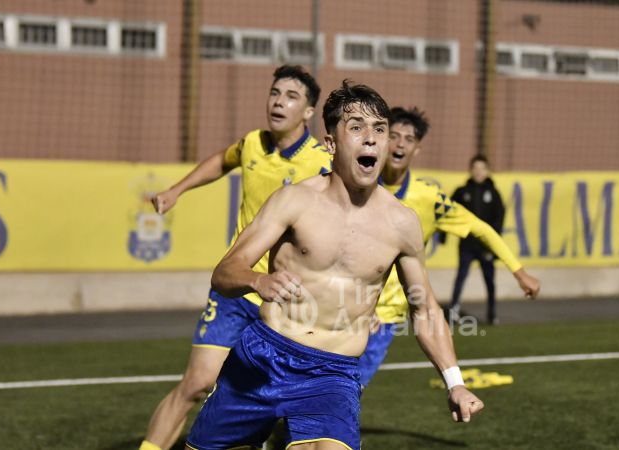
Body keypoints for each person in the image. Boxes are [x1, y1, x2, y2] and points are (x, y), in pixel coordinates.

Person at [185, 81, 484, 450]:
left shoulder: (401, 223)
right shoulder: (293, 201)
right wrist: (256, 281)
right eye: (356, 128)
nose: (371, 139)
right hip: (264, 357)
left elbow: (424, 309)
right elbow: (224, 273)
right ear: (330, 144)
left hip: (332, 373)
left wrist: (455, 382)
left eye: (379, 130)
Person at [139, 65, 331, 450]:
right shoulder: (252, 144)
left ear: (309, 112)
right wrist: (178, 190)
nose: (279, 101)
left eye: (292, 96)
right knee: (196, 384)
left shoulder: (320, 160)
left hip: (287, 299)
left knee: (286, 399)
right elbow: (222, 161)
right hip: (235, 288)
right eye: (275, 92)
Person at [358, 107, 540, 387]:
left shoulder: (429, 198)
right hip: (340, 304)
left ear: (417, 149)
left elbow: (481, 228)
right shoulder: (355, 182)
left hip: (384, 316)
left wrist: (519, 272)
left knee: (346, 389)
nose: (400, 143)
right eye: (393, 135)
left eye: (408, 139)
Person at [448, 155, 506, 325]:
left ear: (487, 171)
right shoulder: (462, 191)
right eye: (476, 168)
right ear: (470, 170)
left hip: (486, 246)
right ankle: (454, 312)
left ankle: (492, 313)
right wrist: (444, 235)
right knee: (461, 276)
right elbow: (448, 211)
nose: (479, 172)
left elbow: (499, 218)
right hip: (467, 244)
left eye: (482, 169)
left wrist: (494, 243)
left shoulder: (493, 193)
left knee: (489, 281)